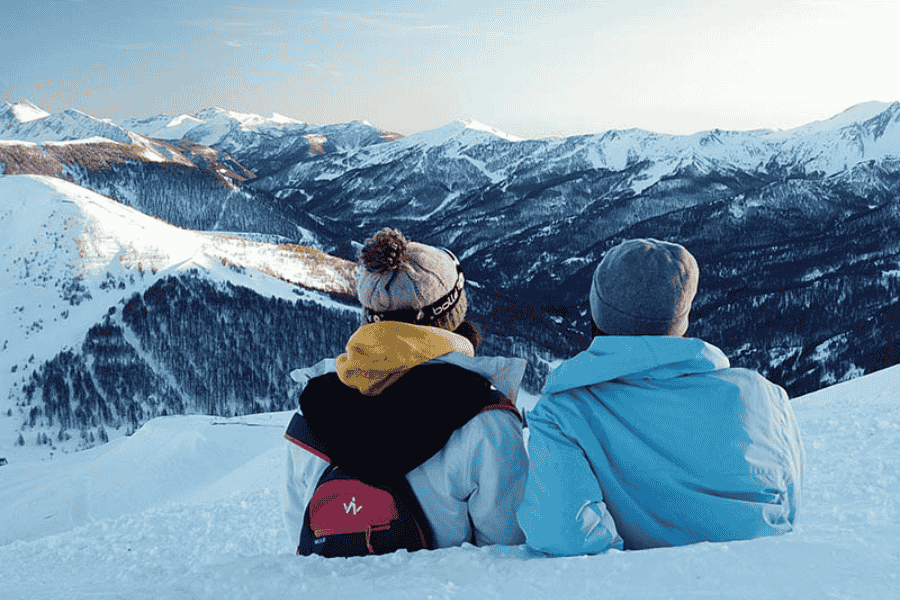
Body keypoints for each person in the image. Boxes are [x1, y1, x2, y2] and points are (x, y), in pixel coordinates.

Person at [517, 238, 805, 556]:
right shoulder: (763, 396)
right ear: (681, 315)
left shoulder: (562, 413)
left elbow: (562, 534)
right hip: (762, 575)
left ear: (597, 312)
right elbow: (783, 510)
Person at [284, 228, 529, 553]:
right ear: (452, 315)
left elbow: (300, 538)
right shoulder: (485, 420)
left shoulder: (312, 412)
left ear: (369, 318)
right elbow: (506, 552)